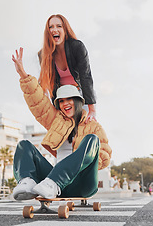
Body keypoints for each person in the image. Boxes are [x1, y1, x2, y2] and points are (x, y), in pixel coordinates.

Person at [11, 47, 112, 200]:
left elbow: (105, 157)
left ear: (78, 102)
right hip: (52, 185)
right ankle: (27, 182)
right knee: (23, 145)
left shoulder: (93, 125)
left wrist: (83, 156)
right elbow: (38, 102)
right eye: (61, 101)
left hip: (82, 183)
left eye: (70, 99)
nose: (65, 104)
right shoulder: (56, 120)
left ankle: (55, 181)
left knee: (92, 140)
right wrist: (23, 74)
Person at [38, 14, 96, 123]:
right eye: (51, 27)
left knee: (86, 128)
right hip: (61, 99)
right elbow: (48, 84)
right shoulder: (43, 54)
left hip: (79, 95)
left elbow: (86, 76)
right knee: (65, 135)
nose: (54, 29)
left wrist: (91, 109)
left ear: (65, 29)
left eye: (59, 26)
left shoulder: (77, 47)